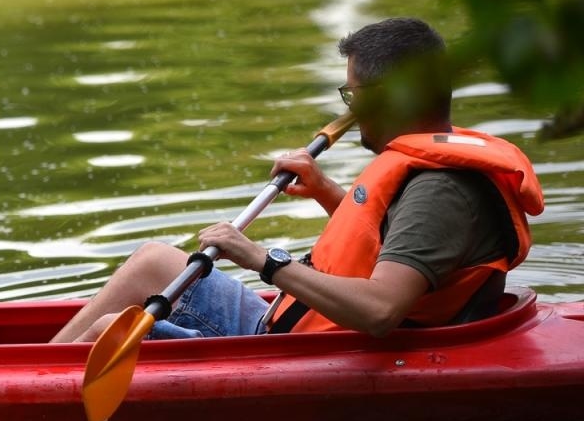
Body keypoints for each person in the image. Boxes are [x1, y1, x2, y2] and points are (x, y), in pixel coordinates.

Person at [52, 17, 544, 343]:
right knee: (154, 262)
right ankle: (35, 369)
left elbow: (379, 310)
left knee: (110, 331)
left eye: (354, 98)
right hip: (297, 325)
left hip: (314, 353)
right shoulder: (437, 165)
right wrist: (330, 194)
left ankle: (33, 396)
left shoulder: (441, 191)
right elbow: (395, 246)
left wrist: (259, 258)